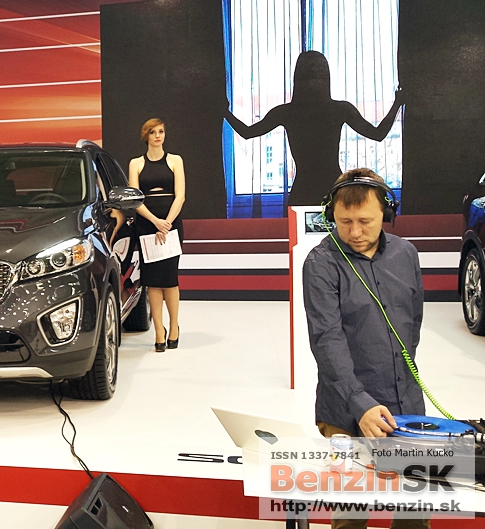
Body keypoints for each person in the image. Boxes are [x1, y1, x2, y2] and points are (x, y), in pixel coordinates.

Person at [302, 168, 428, 529]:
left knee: (414, 515)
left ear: (385, 213)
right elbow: (326, 339)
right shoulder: (321, 264)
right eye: (344, 222)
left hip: (405, 405)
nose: (355, 232)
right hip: (345, 411)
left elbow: (412, 323)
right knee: (351, 515)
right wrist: (361, 403)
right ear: (332, 215)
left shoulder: (406, 254)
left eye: (365, 221)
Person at [224, 51, 404, 209]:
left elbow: (247, 132)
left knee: (299, 235)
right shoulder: (340, 109)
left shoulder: (286, 112)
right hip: (332, 186)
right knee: (337, 236)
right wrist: (397, 103)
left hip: (304, 189)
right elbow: (378, 134)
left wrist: (224, 112)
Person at [128, 118, 185, 352]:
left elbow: (180, 196)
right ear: (146, 136)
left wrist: (167, 223)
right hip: (147, 225)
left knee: (170, 279)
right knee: (152, 281)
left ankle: (174, 327)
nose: (158, 136)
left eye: (161, 131)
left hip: (171, 224)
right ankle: (159, 331)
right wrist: (155, 222)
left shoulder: (175, 160)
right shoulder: (136, 163)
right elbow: (135, 199)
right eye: (153, 132)